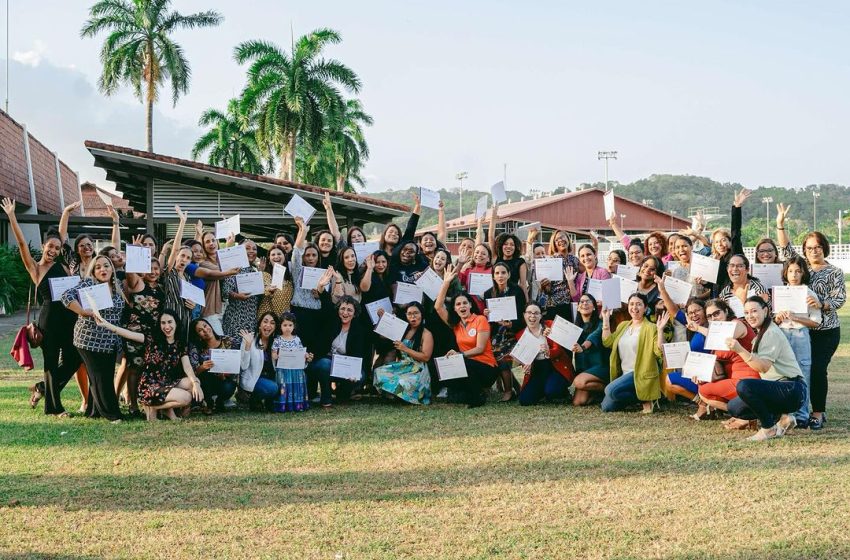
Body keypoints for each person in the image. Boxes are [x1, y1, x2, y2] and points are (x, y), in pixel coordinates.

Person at [1, 198, 85, 415]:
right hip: (49, 320)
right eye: (50, 246)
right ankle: (54, 408)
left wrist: (65, 211)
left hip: (69, 316)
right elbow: (21, 244)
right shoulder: (35, 269)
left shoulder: (60, 263)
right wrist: (11, 216)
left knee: (74, 358)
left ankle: (41, 388)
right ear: (43, 247)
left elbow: (62, 234)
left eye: (57, 247)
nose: (54, 250)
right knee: (50, 362)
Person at [776, 203, 845, 430]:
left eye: (817, 247)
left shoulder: (834, 271)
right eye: (809, 248)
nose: (813, 251)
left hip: (825, 331)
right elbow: (786, 250)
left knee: (817, 369)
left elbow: (840, 298)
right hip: (801, 330)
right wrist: (780, 225)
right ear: (804, 251)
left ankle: (818, 412)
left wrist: (822, 303)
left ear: (824, 248)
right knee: (800, 369)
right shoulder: (801, 267)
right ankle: (799, 409)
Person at [92, 308, 204, 421]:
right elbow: (128, 334)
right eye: (163, 323)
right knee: (186, 398)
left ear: (176, 323)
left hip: (167, 383)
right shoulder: (152, 338)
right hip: (149, 386)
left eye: (170, 322)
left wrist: (195, 382)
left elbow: (187, 366)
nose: (167, 327)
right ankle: (152, 407)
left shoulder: (180, 343)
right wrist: (106, 325)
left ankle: (162, 409)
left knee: (194, 382)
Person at [725, 297, 806, 442]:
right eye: (747, 312)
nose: (750, 316)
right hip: (780, 389)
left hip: (792, 388)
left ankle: (768, 428)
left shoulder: (771, 333)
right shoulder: (760, 334)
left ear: (765, 310)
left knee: (744, 386)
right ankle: (783, 418)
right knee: (735, 407)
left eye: (754, 311)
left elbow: (762, 367)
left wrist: (739, 350)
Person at [61, 255, 126, 422]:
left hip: (109, 342)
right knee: (100, 377)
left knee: (105, 376)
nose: (103, 269)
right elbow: (66, 296)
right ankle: (111, 414)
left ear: (112, 269)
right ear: (93, 271)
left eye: (106, 266)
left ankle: (94, 411)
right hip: (88, 340)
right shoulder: (89, 284)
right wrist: (83, 312)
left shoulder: (117, 287)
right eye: (98, 267)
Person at [434, 265, 499, 408]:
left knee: (460, 363)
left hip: (487, 368)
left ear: (470, 305)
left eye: (465, 303)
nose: (462, 306)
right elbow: (438, 307)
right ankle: (471, 392)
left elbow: (480, 348)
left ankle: (478, 398)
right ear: (455, 309)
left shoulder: (480, 320)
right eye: (458, 304)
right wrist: (446, 282)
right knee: (448, 383)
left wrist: (459, 355)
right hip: (468, 366)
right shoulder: (456, 325)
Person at [691, 299, 757, 425]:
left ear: (726, 311)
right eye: (709, 316)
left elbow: (725, 338)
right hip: (733, 379)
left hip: (748, 379)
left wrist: (699, 328)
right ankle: (742, 414)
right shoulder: (714, 334)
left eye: (716, 314)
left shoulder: (738, 323)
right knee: (702, 389)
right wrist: (700, 375)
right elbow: (715, 364)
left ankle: (747, 415)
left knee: (704, 391)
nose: (713, 319)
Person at [775, 255, 821, 426]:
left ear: (803, 274)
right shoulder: (780, 292)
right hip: (783, 334)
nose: (794, 275)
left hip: (801, 334)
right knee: (784, 372)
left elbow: (816, 322)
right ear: (785, 273)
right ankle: (786, 413)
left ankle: (801, 415)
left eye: (798, 271)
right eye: (791, 271)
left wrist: (797, 318)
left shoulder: (809, 294)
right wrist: (778, 318)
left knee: (802, 371)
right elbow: (773, 319)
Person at [600, 293, 663, 413]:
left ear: (645, 308)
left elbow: (659, 351)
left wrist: (660, 331)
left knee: (610, 391)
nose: (634, 307)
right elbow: (607, 342)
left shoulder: (651, 327)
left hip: (640, 373)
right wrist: (606, 319)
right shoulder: (623, 325)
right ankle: (642, 397)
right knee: (606, 407)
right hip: (624, 374)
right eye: (632, 304)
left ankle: (648, 398)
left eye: (639, 304)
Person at [118, 253, 164, 416]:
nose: (153, 271)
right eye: (149, 268)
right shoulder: (138, 283)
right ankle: (132, 405)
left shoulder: (160, 288)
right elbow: (130, 273)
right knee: (135, 368)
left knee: (147, 368)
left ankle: (147, 401)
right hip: (135, 332)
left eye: (156, 268)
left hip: (153, 334)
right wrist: (133, 255)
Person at [306, 296, 368, 407]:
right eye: (342, 309)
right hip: (325, 363)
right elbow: (318, 347)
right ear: (338, 310)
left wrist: (353, 371)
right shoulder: (330, 323)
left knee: (360, 375)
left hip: (344, 365)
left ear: (354, 314)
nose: (345, 313)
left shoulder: (358, 330)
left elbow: (358, 355)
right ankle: (326, 397)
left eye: (349, 310)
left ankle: (342, 393)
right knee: (325, 364)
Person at [373, 302, 434, 404]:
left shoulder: (426, 334)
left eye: (416, 313)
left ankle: (402, 396)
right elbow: (382, 336)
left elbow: (426, 357)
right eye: (409, 314)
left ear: (422, 314)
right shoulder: (403, 329)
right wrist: (383, 318)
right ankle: (395, 396)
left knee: (403, 382)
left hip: (418, 370)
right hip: (404, 366)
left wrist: (406, 349)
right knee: (378, 372)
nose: (413, 316)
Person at [483, 262, 527, 402]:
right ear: (493, 276)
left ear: (508, 274)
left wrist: (511, 325)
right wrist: (486, 314)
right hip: (496, 334)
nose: (500, 276)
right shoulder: (488, 293)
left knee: (500, 357)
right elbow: (489, 321)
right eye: (497, 273)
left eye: (503, 273)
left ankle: (509, 391)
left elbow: (523, 316)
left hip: (514, 333)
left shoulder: (517, 291)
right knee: (496, 355)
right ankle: (516, 389)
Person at [515, 303, 572, 405]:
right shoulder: (520, 334)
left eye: (536, 313)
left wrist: (549, 351)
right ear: (524, 315)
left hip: (555, 366)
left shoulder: (550, 325)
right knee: (525, 400)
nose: (532, 316)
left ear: (541, 315)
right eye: (529, 313)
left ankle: (561, 392)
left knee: (552, 391)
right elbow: (523, 358)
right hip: (537, 368)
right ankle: (542, 391)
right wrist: (525, 365)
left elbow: (558, 350)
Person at [290, 217, 327, 352]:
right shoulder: (298, 272)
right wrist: (303, 230)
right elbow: (296, 253)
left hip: (316, 317)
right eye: (308, 255)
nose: (311, 258)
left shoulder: (324, 274)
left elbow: (327, 298)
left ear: (318, 257)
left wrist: (321, 294)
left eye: (314, 255)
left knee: (311, 352)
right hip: (299, 314)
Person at [188, 318, 240, 413]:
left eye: (205, 325)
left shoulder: (229, 341)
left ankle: (219, 402)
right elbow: (192, 372)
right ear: (198, 336)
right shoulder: (196, 348)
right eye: (200, 330)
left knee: (228, 386)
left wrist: (225, 374)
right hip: (207, 382)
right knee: (205, 376)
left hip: (226, 381)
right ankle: (209, 403)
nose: (205, 330)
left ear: (209, 325)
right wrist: (202, 367)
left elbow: (237, 365)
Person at [238, 312, 283, 411]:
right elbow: (243, 366)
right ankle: (251, 399)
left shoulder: (278, 341)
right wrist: (248, 346)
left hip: (271, 377)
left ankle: (266, 401)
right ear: (259, 325)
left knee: (281, 393)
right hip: (253, 379)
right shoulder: (250, 339)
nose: (268, 326)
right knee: (273, 388)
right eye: (265, 322)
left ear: (275, 327)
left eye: (272, 323)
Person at [571, 294, 610, 406]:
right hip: (585, 368)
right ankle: (597, 393)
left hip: (601, 366)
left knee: (579, 382)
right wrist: (551, 334)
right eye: (582, 302)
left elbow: (592, 337)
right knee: (578, 402)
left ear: (594, 307)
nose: (584, 304)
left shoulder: (601, 324)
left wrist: (582, 347)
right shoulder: (575, 327)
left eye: (588, 301)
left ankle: (608, 388)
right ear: (578, 307)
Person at [271, 312, 311, 412]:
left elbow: (301, 352)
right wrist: (275, 355)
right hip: (283, 369)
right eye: (285, 325)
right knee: (284, 387)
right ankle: (284, 406)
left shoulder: (297, 339)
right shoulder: (278, 340)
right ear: (280, 326)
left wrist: (306, 355)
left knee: (295, 386)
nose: (287, 328)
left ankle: (297, 405)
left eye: (290, 325)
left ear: (294, 326)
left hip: (295, 369)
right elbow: (273, 352)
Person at [222, 239, 263, 336]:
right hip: (236, 319)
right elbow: (225, 291)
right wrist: (237, 296)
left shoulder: (255, 271)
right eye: (247, 248)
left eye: (254, 249)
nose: (252, 251)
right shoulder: (234, 269)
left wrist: (261, 273)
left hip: (252, 320)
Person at [258, 245, 293, 317]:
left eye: (279, 254)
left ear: (284, 256)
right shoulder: (265, 275)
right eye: (273, 254)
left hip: (284, 321)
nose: (276, 257)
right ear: (269, 258)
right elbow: (263, 290)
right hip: (268, 321)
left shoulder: (290, 278)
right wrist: (269, 290)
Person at [458, 243, 493, 314]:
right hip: (471, 310)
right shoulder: (468, 269)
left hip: (488, 310)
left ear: (488, 258)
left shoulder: (493, 270)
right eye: (477, 252)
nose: (479, 255)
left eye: (483, 254)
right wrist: (461, 267)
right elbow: (459, 283)